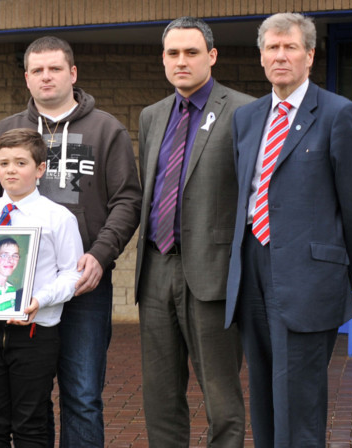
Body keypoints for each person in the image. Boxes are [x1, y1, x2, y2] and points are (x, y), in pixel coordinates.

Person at [0, 36, 142, 447]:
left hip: (80, 282)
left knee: (82, 395)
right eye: (37, 70)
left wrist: (101, 255)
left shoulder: (106, 129)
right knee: (29, 401)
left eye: (55, 68)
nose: (46, 77)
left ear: (73, 73)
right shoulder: (10, 130)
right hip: (14, 290)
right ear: (27, 78)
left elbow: (128, 199)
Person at [225, 12, 352, 447]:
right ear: (261, 56)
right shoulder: (248, 118)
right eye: (272, 47)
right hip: (252, 270)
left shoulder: (338, 114)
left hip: (309, 280)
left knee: (300, 408)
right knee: (265, 403)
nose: (281, 55)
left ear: (310, 55)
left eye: (290, 47)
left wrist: (333, 274)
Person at [134, 16, 254, 447]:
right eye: (172, 53)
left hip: (214, 275)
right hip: (156, 271)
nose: (181, 61)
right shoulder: (152, 116)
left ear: (212, 56)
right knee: (160, 398)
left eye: (191, 52)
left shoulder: (244, 111)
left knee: (222, 399)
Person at [0, 128, 84, 447]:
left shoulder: (59, 218)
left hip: (33, 333)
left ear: (40, 169)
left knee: (31, 421)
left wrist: (39, 300)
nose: (10, 170)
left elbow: (72, 275)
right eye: (3, 163)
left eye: (20, 162)